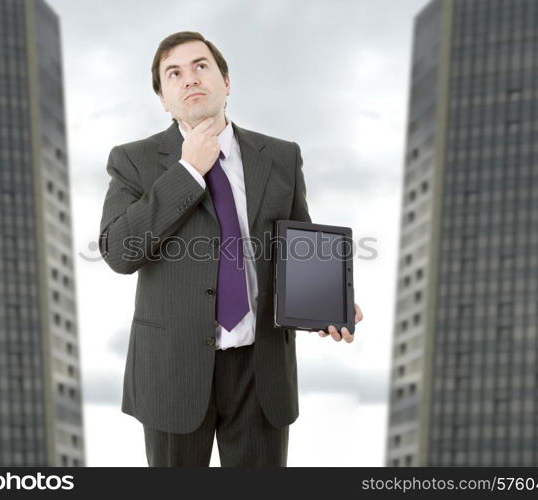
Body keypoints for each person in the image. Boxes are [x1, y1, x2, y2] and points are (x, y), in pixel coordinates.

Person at [98, 31, 363, 467]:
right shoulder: (133, 160)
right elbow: (119, 251)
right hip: (173, 371)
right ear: (163, 98)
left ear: (226, 81)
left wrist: (324, 300)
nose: (190, 79)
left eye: (201, 66)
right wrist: (188, 171)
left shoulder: (280, 156)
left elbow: (299, 244)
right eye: (174, 74)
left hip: (261, 373)